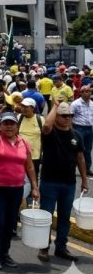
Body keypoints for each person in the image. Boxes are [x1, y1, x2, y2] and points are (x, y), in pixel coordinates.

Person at [0, 104, 39, 270]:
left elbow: (29, 166)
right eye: (5, 123)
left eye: (12, 123)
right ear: (0, 125)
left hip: (16, 188)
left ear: (17, 125)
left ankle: (5, 254)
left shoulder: (24, 142)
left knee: (10, 223)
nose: (9, 126)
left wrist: (34, 187)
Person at [38, 101, 89, 262]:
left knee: (64, 217)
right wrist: (54, 106)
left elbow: (80, 158)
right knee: (46, 216)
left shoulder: (76, 135)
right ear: (57, 117)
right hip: (49, 181)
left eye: (70, 115)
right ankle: (44, 247)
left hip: (69, 183)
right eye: (64, 115)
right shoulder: (50, 132)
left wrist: (85, 180)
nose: (68, 118)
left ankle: (61, 247)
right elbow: (46, 125)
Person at [70, 85, 93, 175]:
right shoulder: (75, 104)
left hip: (89, 129)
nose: (88, 93)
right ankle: (72, 168)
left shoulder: (92, 103)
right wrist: (70, 130)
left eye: (89, 91)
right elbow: (70, 117)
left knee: (88, 149)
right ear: (81, 93)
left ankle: (87, 169)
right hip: (78, 128)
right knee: (76, 149)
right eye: (85, 91)